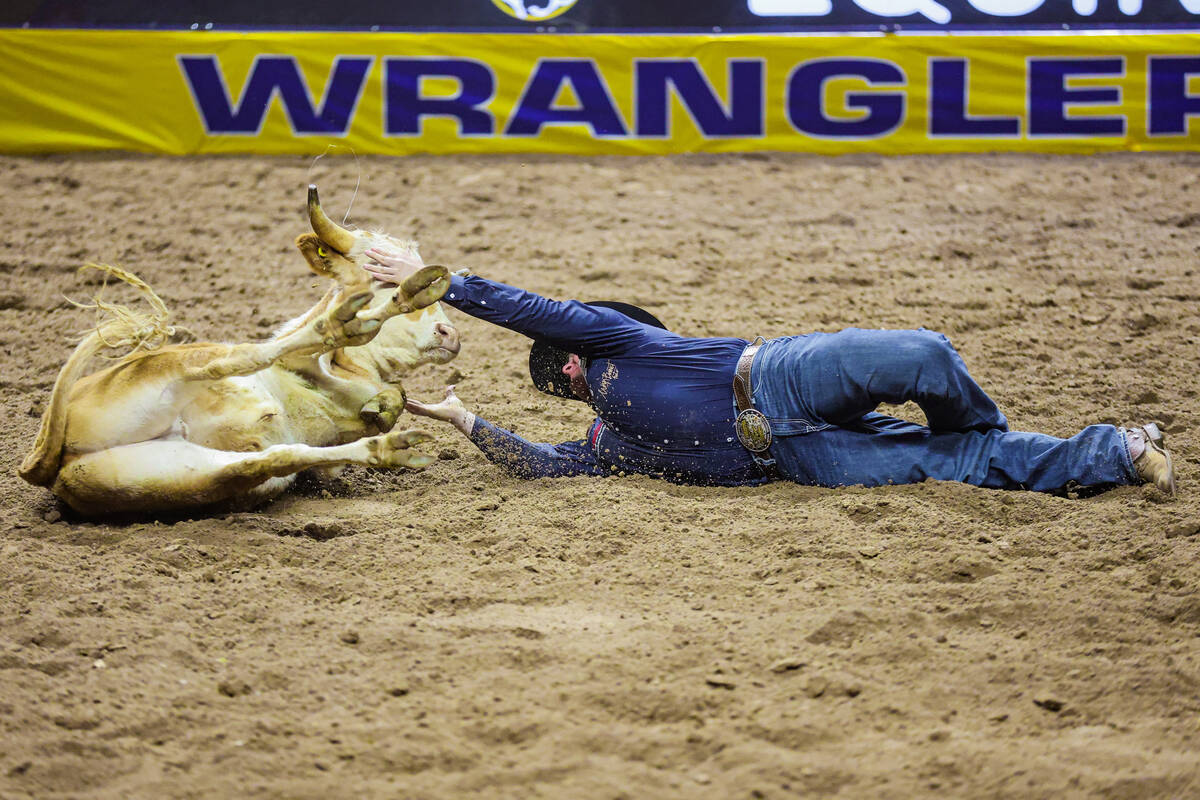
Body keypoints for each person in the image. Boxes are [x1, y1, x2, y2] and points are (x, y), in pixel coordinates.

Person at [363, 247, 1175, 496]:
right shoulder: (609, 446)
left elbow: (537, 309)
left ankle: (988, 429)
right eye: (561, 369)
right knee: (954, 464)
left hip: (780, 376)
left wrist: (450, 284)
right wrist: (460, 418)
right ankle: (1117, 454)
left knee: (924, 355)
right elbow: (540, 466)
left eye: (563, 360)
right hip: (795, 460)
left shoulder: (623, 340)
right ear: (566, 380)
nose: (566, 367)